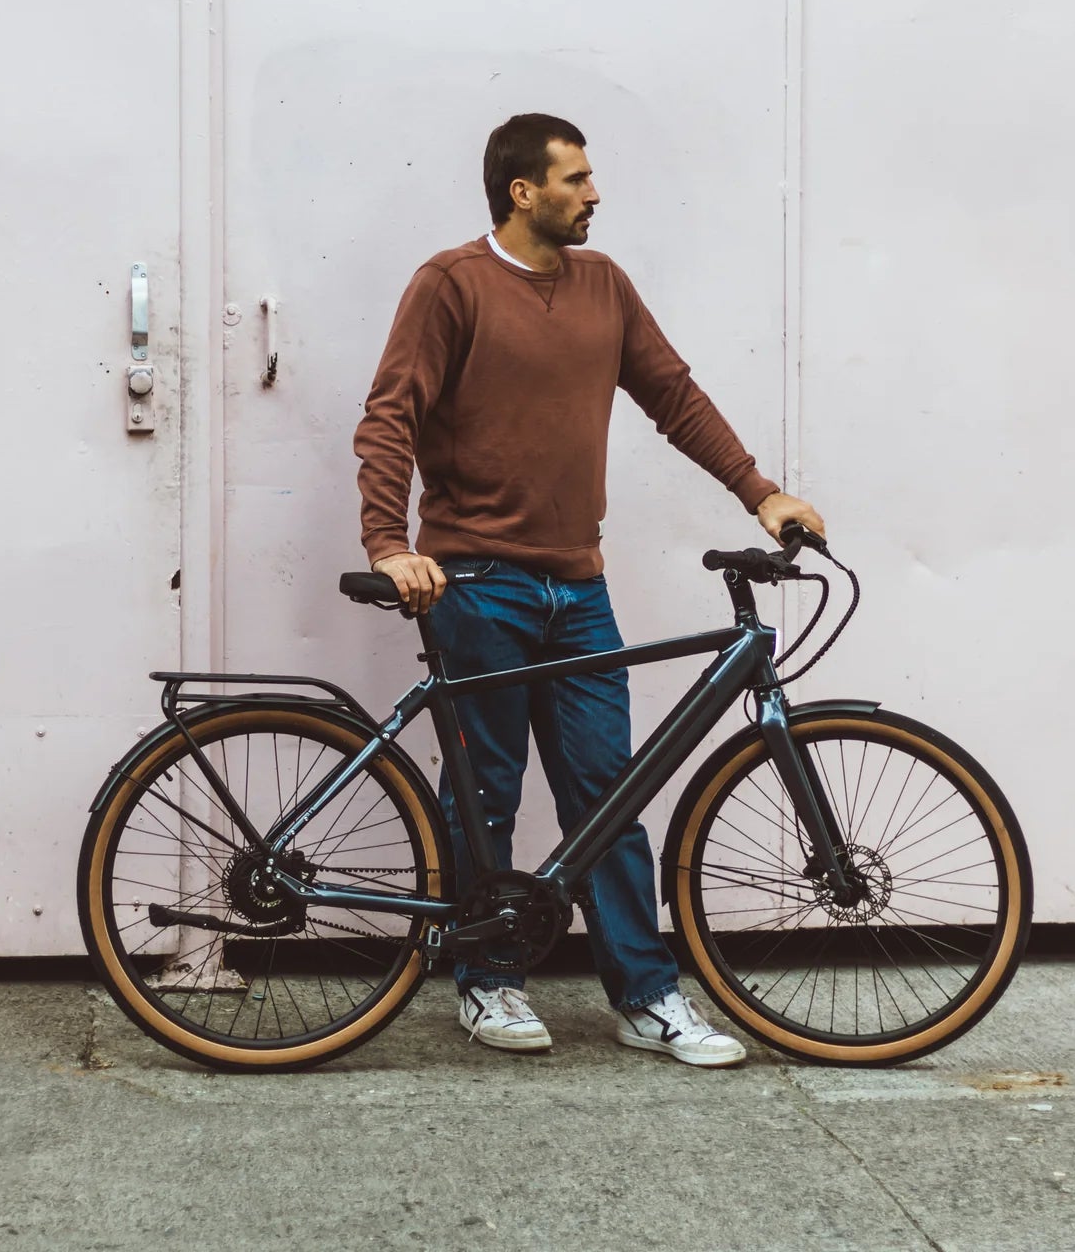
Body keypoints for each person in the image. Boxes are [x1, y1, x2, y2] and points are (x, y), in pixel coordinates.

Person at [353, 113, 826, 1066]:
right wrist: (386, 543)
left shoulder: (605, 286)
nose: (593, 194)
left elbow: (675, 397)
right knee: (485, 792)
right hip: (476, 582)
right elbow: (389, 415)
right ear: (523, 191)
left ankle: (647, 999)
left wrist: (760, 492)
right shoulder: (453, 285)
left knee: (610, 791)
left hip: (577, 586)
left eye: (590, 178)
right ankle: (487, 984)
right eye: (575, 179)